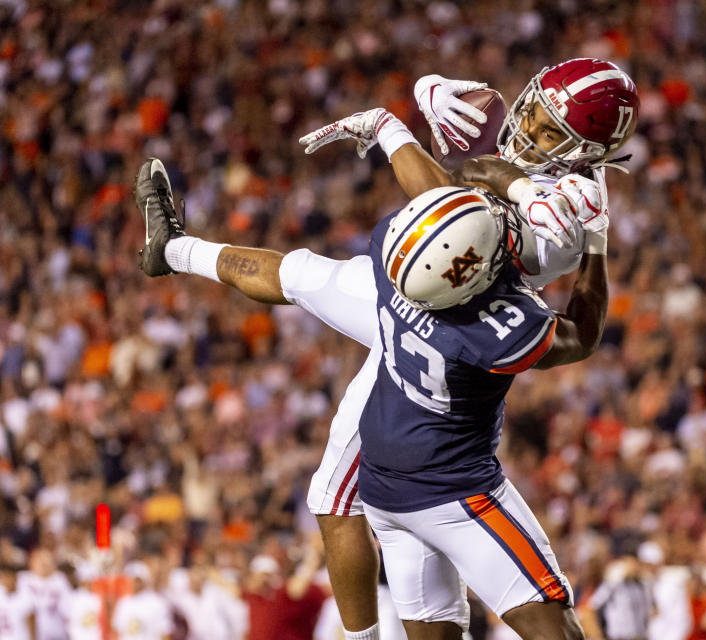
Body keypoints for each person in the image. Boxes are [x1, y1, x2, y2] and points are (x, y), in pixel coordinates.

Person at [134, 144, 608, 638]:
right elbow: (584, 332)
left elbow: (446, 186)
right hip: (455, 493)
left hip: (389, 491)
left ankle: (172, 250)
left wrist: (391, 129)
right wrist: (593, 237)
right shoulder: (496, 332)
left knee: (295, 275)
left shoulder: (393, 261)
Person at [294, 57, 637, 639]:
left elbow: (456, 211)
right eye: (532, 107)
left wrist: (392, 130)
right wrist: (432, 96)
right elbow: (479, 172)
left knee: (333, 490)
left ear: (585, 152)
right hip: (422, 312)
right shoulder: (538, 167)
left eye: (550, 130)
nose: (526, 127)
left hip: (448, 326)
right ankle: (183, 253)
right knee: (331, 493)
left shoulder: (569, 210)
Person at [111, 561, 173, 640]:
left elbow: (165, 633)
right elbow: (117, 631)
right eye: (130, 579)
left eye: (137, 580)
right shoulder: (123, 603)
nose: (133, 583)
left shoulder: (157, 602)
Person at [0, 562, 35, 640]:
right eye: (2, 577)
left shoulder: (25, 596)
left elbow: (31, 622)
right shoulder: (1, 594)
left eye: (7, 576)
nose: (4, 580)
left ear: (14, 577)